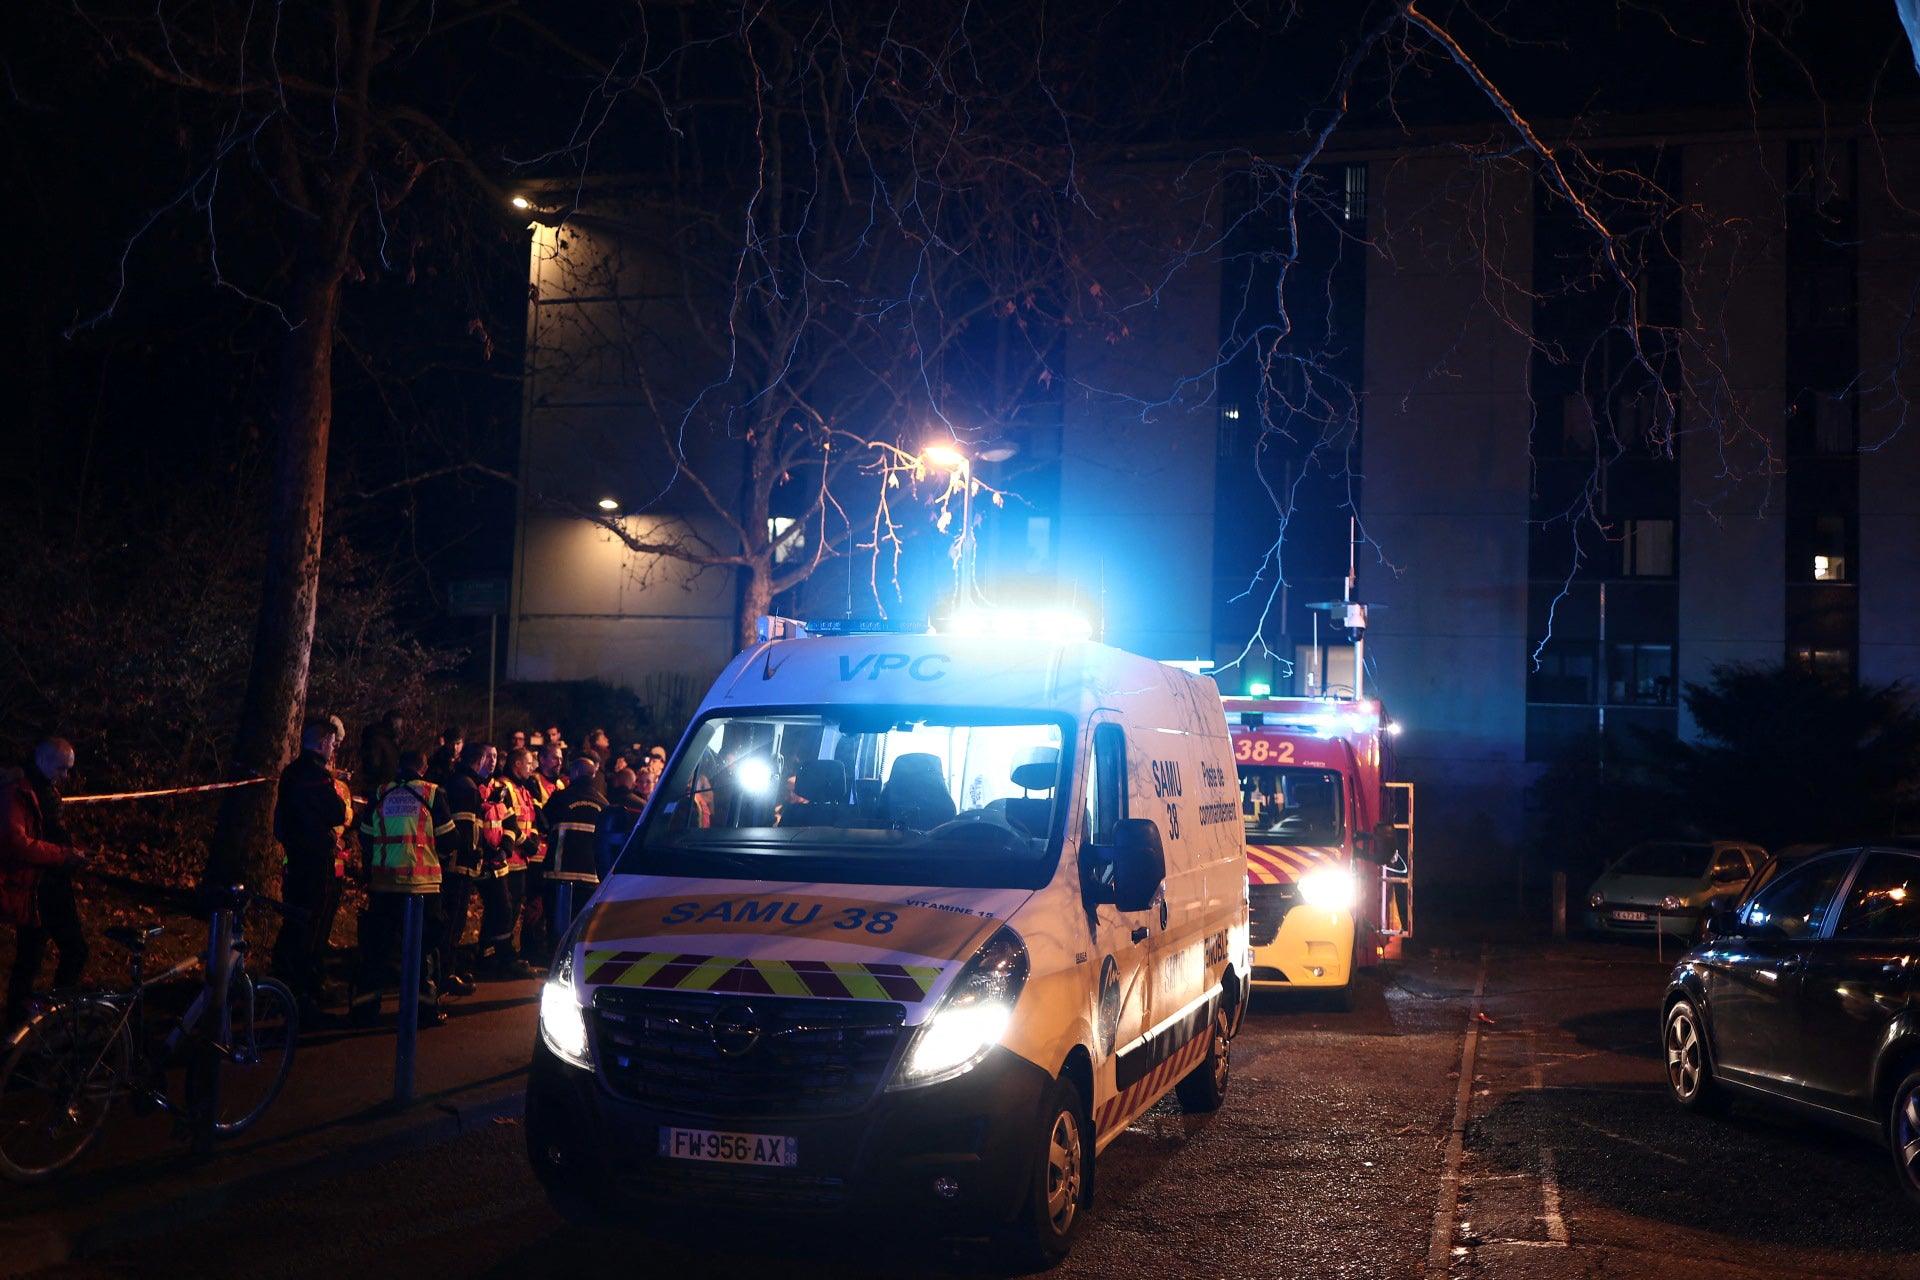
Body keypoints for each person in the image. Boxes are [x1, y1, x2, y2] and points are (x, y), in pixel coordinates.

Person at [354, 750, 453, 1028]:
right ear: (424, 768)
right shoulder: (432, 793)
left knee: (377, 949)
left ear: (399, 766)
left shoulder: (380, 792)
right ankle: (425, 1010)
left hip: (383, 884)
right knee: (425, 949)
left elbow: (365, 835)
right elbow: (449, 840)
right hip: (423, 886)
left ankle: (363, 1011)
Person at [2, 739, 95, 1030]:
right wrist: (64, 855)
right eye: (62, 769)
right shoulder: (16, 791)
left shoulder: (44, 789)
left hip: (52, 884)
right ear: (42, 760)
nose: (66, 777)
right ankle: (24, 1025)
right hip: (34, 889)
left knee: (56, 952)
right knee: (34, 958)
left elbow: (48, 831)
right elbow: (18, 843)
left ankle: (40, 1020)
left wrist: (73, 853)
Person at [271, 720, 352, 1016]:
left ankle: (282, 978)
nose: (333, 748)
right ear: (320, 743)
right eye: (331, 743)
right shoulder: (317, 775)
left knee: (294, 919)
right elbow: (337, 811)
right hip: (316, 861)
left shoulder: (291, 772)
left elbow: (282, 821)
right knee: (313, 923)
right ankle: (305, 987)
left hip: (294, 859)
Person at [441, 742, 502, 994]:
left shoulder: (457, 782)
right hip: (460, 866)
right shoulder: (467, 788)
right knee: (453, 924)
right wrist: (475, 852)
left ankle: (445, 971)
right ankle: (445, 975)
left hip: (454, 864)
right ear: (477, 760)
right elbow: (466, 830)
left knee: (450, 923)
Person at [544, 756, 604, 934]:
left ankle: (553, 958)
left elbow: (543, 824)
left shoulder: (560, 798)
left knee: (558, 926)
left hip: (559, 874)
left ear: (576, 773)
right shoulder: (603, 803)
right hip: (590, 879)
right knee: (580, 929)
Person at [596, 767, 645, 880]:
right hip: (630, 859)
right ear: (633, 784)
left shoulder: (606, 801)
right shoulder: (642, 805)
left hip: (605, 857)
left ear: (616, 781)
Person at [359, 709, 405, 793]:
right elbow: (373, 765)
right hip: (378, 788)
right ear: (393, 723)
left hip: (384, 787)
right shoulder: (376, 739)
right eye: (399, 725)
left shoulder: (389, 741)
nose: (401, 729)